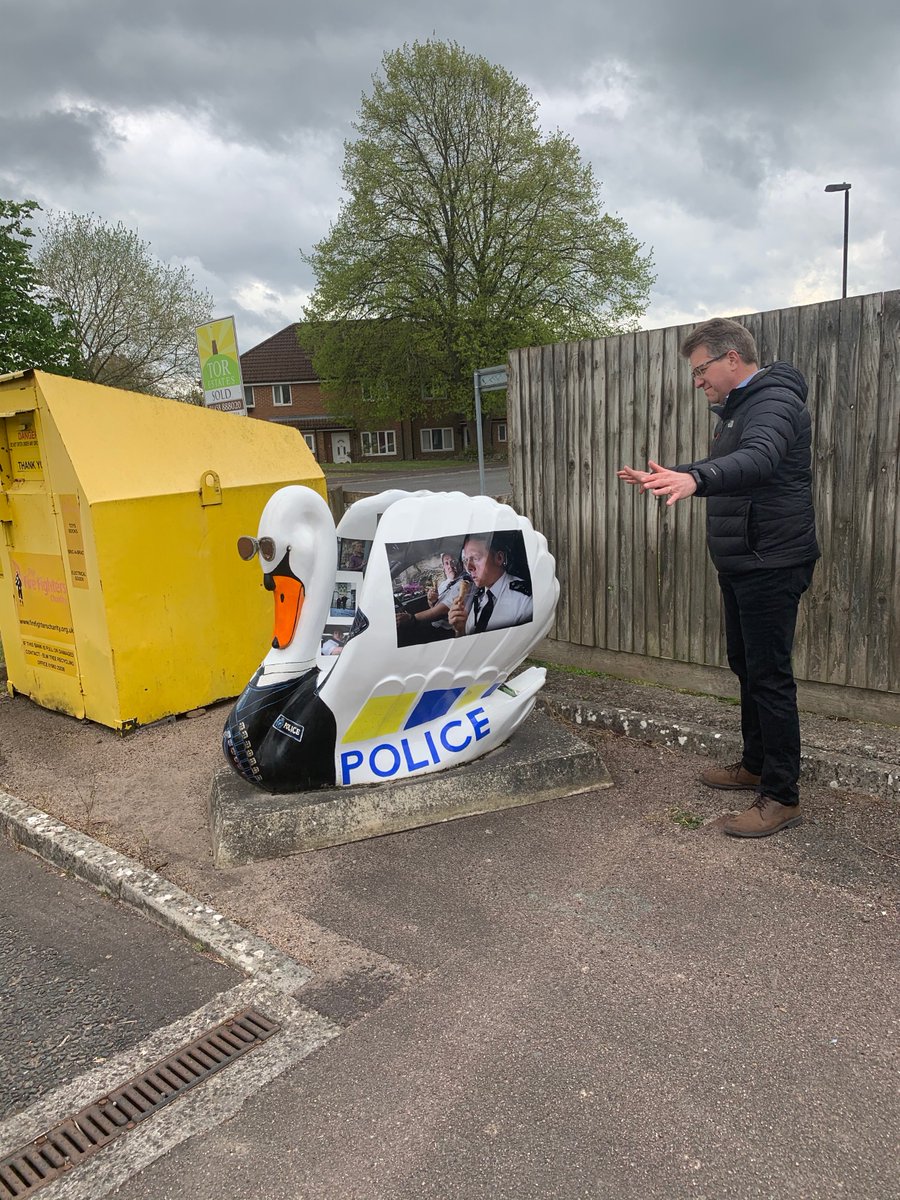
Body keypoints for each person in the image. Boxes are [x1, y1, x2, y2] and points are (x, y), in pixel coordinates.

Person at [618, 317, 819, 838]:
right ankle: (755, 764)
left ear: (732, 358)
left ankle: (782, 796)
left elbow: (759, 460)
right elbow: (731, 463)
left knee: (769, 676)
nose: (697, 381)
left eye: (700, 369)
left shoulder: (773, 402)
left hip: (771, 560)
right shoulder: (739, 409)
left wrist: (696, 477)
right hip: (743, 559)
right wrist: (674, 473)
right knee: (746, 665)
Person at [448, 533, 533, 635]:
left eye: (475, 558)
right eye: (466, 560)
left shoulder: (524, 600)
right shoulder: (478, 596)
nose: (469, 567)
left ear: (499, 558)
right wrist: (460, 630)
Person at [395, 550, 464, 644]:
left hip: (446, 630)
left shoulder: (463, 584)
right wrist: (432, 601)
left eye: (453, 562)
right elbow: (434, 607)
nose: (450, 566)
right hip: (435, 624)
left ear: (460, 564)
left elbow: (442, 610)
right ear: (444, 567)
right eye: (446, 563)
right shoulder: (444, 584)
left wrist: (411, 618)